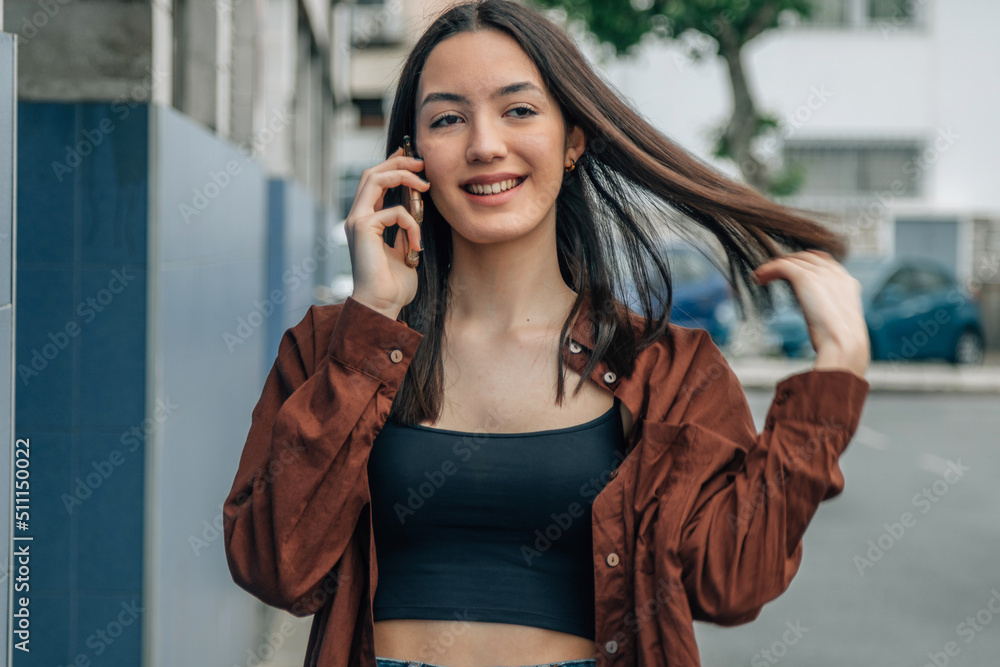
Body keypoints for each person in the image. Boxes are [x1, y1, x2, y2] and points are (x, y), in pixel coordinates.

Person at [222, 1, 871, 666]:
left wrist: (833, 384)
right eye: (448, 118)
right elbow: (275, 564)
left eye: (519, 110)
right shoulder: (339, 345)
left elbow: (732, 582)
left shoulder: (668, 370)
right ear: (409, 159)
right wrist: (371, 324)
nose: (484, 144)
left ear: (573, 140)